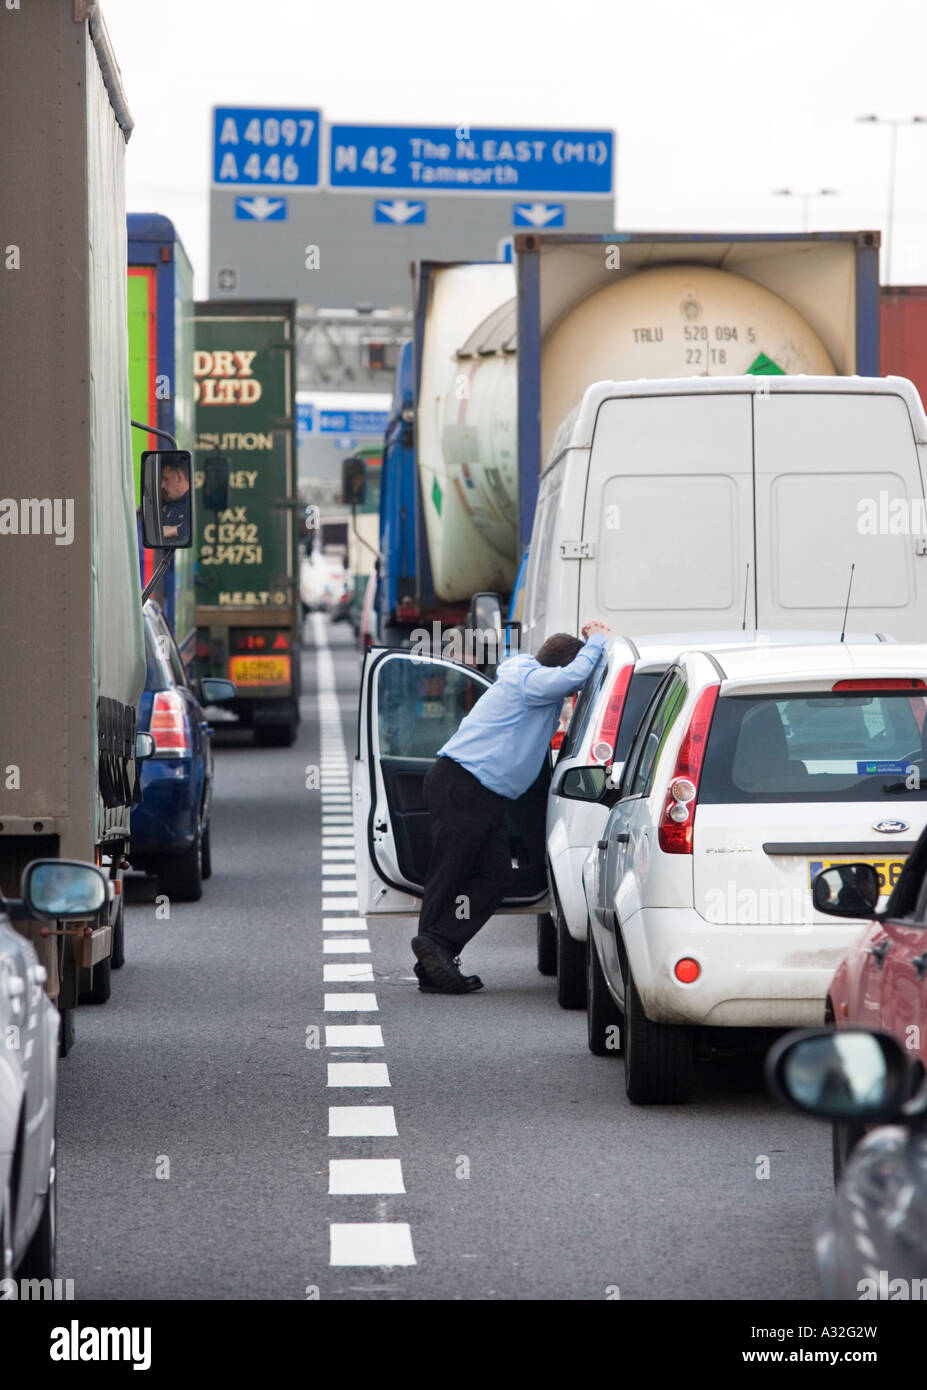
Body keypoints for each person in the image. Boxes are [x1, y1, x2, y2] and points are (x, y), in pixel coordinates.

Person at [411, 621, 611, 994]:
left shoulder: (526, 680)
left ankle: (437, 949)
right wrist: (597, 640)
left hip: (477, 790)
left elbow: (568, 680)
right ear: (558, 668)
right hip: (464, 784)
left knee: (495, 875)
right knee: (450, 873)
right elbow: (571, 677)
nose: (576, 691)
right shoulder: (530, 681)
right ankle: (435, 951)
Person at [160, 460, 191, 544]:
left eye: (166, 479)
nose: (162, 485)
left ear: (178, 477)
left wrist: (175, 530)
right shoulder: (172, 503)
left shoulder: (194, 504)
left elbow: (197, 527)